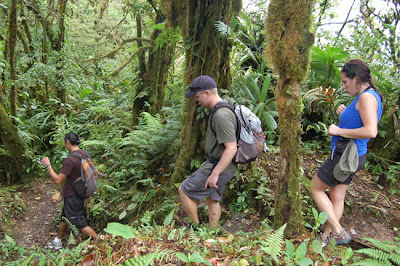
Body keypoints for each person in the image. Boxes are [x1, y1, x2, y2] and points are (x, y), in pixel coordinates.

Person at [310, 59, 383, 246]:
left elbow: (371, 130)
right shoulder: (371, 96)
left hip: (346, 154)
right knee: (336, 195)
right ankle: (327, 238)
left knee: (316, 188)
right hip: (355, 155)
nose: (343, 87)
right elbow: (359, 119)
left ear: (356, 78)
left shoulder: (366, 97)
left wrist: (338, 130)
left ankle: (338, 232)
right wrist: (344, 112)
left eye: (345, 82)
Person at [178, 75, 238, 228]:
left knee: (184, 190)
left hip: (218, 166)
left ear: (207, 93)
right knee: (212, 198)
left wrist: (215, 173)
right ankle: (212, 232)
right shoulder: (220, 108)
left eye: (198, 96)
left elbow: (231, 148)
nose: (196, 100)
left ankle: (195, 229)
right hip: (220, 164)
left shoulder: (221, 115)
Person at [41, 132, 97, 250]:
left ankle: (101, 240)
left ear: (67, 142)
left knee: (78, 222)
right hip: (81, 192)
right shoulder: (84, 154)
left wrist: (48, 166)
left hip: (72, 196)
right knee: (66, 216)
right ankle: (58, 240)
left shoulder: (70, 160)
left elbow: (58, 180)